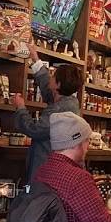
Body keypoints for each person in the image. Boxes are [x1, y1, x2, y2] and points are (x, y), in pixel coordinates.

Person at [13, 41, 82, 183]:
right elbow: (47, 87)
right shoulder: (69, 101)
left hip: (47, 168)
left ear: (58, 84)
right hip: (56, 167)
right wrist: (35, 58)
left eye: (53, 76)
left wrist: (20, 108)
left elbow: (34, 130)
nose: (50, 76)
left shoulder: (58, 111)